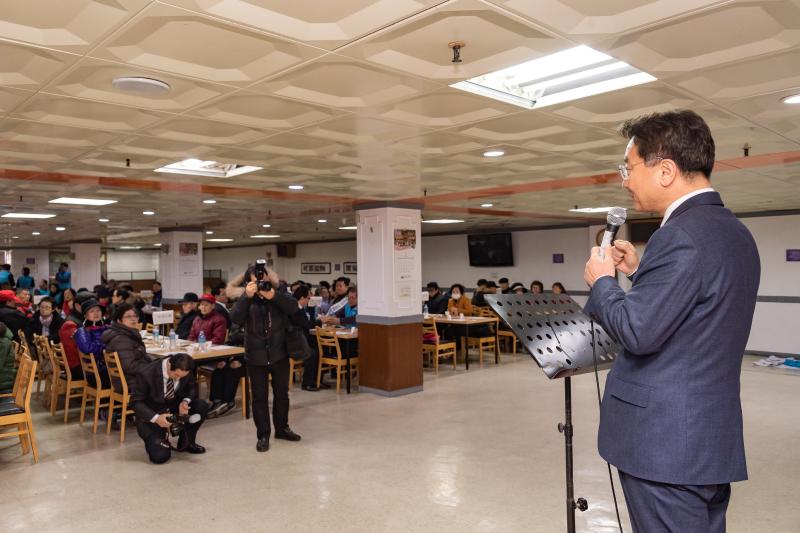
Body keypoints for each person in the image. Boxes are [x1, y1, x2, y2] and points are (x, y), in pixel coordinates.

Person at [582, 110, 760, 533]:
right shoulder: (732, 231)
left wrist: (602, 283)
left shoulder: (678, 235)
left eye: (629, 166)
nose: (624, 179)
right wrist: (641, 272)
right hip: (704, 437)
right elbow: (698, 312)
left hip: (665, 445)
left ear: (665, 170)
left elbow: (638, 332)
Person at [230, 266, 301, 452]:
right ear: (248, 283)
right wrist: (246, 296)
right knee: (259, 398)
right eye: (255, 281)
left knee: (282, 395)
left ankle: (282, 428)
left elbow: (294, 308)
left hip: (279, 355)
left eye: (263, 279)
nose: (260, 284)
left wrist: (273, 295)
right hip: (255, 356)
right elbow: (235, 318)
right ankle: (263, 434)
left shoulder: (279, 295)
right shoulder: (246, 300)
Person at [132, 353, 208, 464]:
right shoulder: (146, 373)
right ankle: (162, 437)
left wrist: (185, 401)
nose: (179, 378)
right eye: (176, 375)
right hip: (153, 414)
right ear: (169, 365)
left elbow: (192, 387)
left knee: (201, 405)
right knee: (159, 457)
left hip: (174, 406)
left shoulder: (185, 369)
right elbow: (136, 403)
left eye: (182, 376)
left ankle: (187, 443)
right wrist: (157, 418)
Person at [101, 303, 151, 386]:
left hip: (129, 378)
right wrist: (151, 368)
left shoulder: (126, 333)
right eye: (128, 317)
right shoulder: (121, 338)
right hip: (129, 381)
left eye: (135, 316)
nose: (133, 319)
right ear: (119, 320)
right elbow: (129, 366)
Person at [289, 285, 323, 392]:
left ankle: (317, 380)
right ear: (302, 298)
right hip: (293, 341)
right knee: (312, 354)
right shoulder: (294, 309)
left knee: (320, 348)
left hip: (300, 338)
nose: (309, 300)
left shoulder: (300, 308)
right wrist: (321, 321)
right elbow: (306, 324)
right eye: (308, 298)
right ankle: (307, 383)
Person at [74, 300, 110, 388]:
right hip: (96, 373)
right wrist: (107, 346)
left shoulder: (107, 328)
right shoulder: (82, 331)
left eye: (98, 310)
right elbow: (87, 348)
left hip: (109, 368)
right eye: (92, 311)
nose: (96, 313)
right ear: (85, 315)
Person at [58, 295, 86, 379]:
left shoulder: (77, 319)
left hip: (78, 365)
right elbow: (75, 352)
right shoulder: (70, 324)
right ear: (77, 306)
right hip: (76, 368)